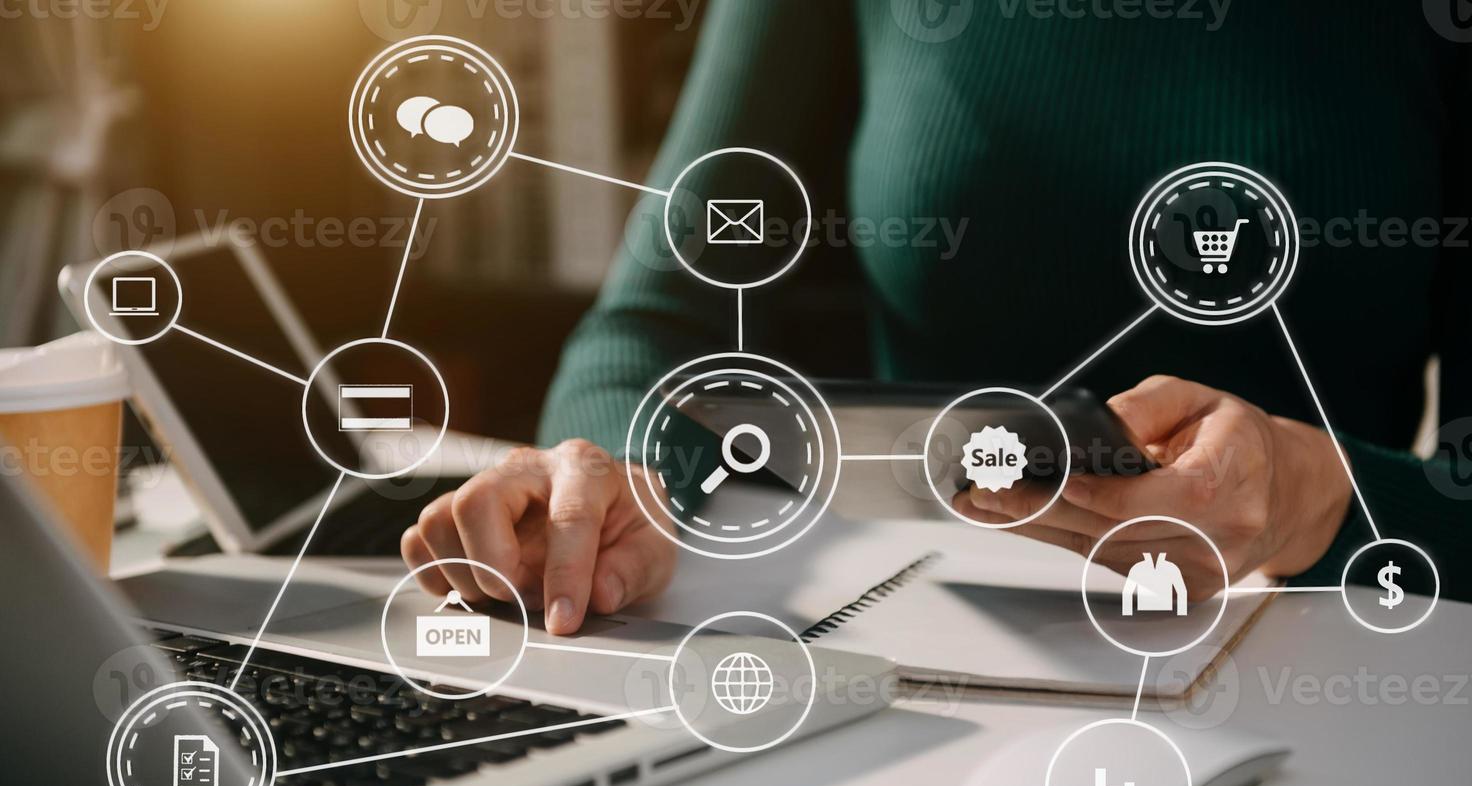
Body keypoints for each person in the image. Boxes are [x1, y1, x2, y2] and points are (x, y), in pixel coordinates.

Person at [402, 0, 1471, 634]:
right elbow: (654, 319)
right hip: (899, 656)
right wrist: (629, 477)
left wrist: (1317, 496)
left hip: (1318, 657)